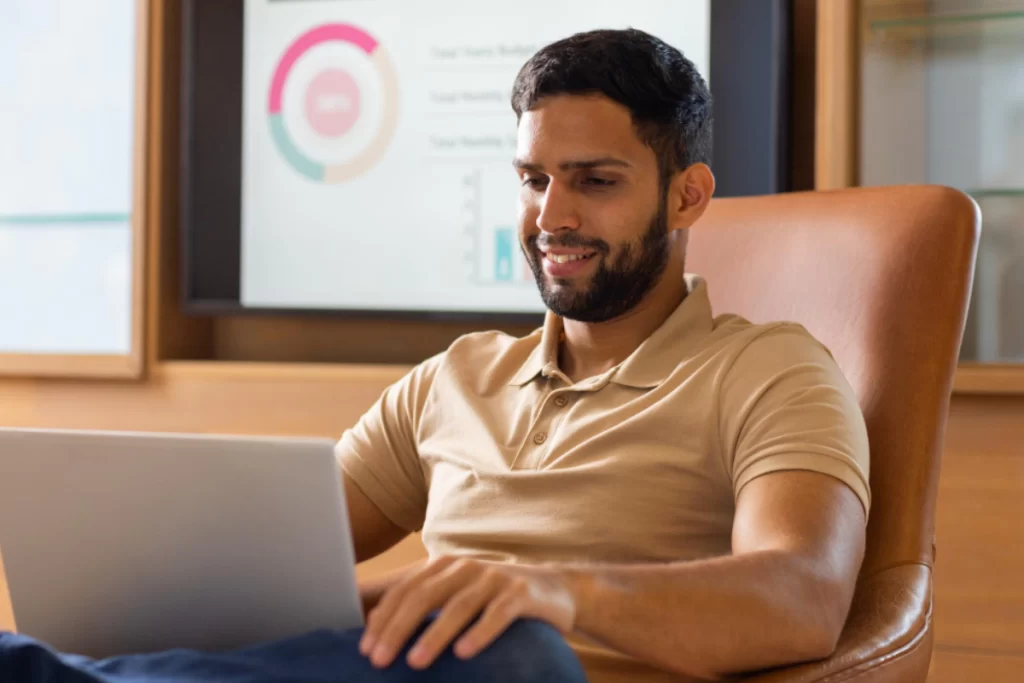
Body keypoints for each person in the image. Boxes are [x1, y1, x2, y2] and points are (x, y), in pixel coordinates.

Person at [0, 27, 869, 683]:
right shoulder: (456, 378)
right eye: (534, 179)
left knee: (516, 647)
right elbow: (267, 567)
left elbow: (804, 596)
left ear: (688, 195)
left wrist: (556, 593)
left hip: (529, 670)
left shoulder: (773, 371)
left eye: (595, 181)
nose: (551, 217)